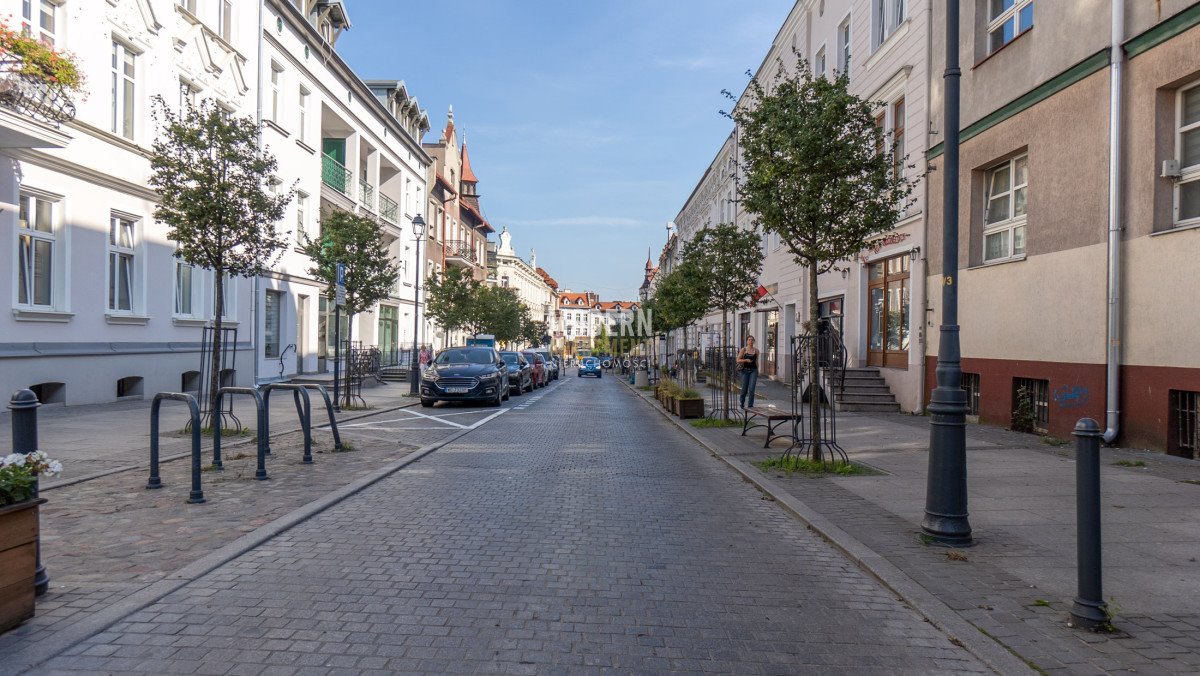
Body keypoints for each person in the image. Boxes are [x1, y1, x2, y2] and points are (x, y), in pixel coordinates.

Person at [736, 335, 760, 409]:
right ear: (747, 341)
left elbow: (756, 361)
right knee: (744, 389)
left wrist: (757, 370)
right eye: (749, 340)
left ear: (754, 341)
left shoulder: (756, 350)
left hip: (753, 371)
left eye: (752, 340)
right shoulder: (744, 350)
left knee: (752, 389)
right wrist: (745, 360)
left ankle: (750, 405)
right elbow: (738, 360)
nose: (751, 341)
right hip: (744, 371)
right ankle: (742, 403)